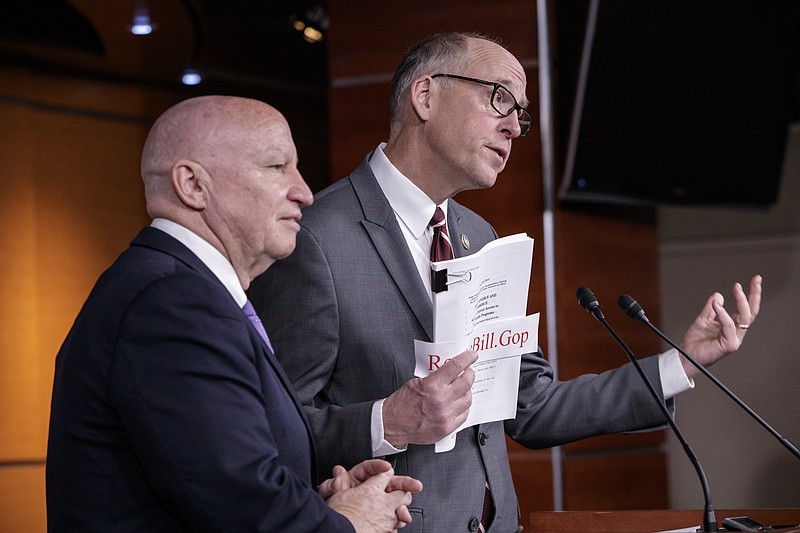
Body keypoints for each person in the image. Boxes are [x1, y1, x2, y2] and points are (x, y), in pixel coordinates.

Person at [249, 33, 762, 532]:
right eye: (500, 99)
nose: (515, 127)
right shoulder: (314, 238)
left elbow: (530, 405)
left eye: (522, 113)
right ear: (425, 95)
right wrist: (387, 421)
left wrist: (681, 363)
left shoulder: (478, 234)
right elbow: (273, 430)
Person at [45, 95, 423, 532]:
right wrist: (350, 524)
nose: (303, 191)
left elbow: (206, 480)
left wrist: (317, 504)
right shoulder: (172, 302)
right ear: (192, 185)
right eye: (276, 166)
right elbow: (243, 509)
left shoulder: (179, 292)